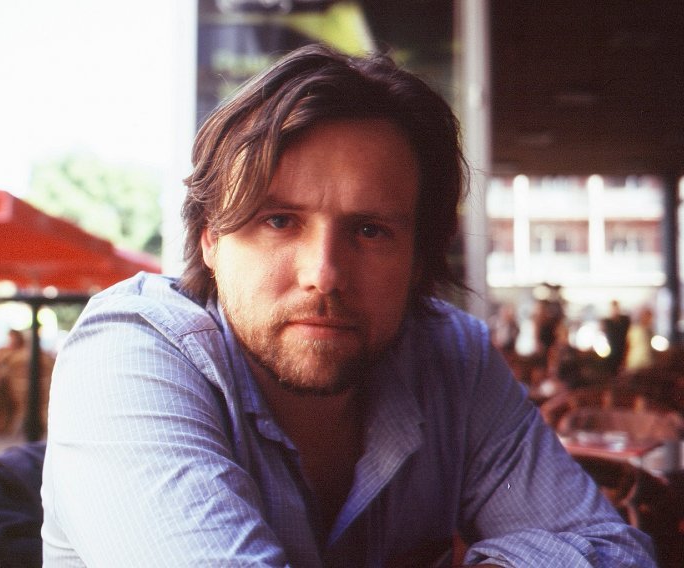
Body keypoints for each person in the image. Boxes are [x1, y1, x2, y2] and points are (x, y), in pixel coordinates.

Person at [41, 45, 655, 566]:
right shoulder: (127, 353)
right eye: (278, 220)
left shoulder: (452, 356)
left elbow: (614, 551)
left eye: (370, 230)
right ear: (210, 239)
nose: (325, 275)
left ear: (418, 257)